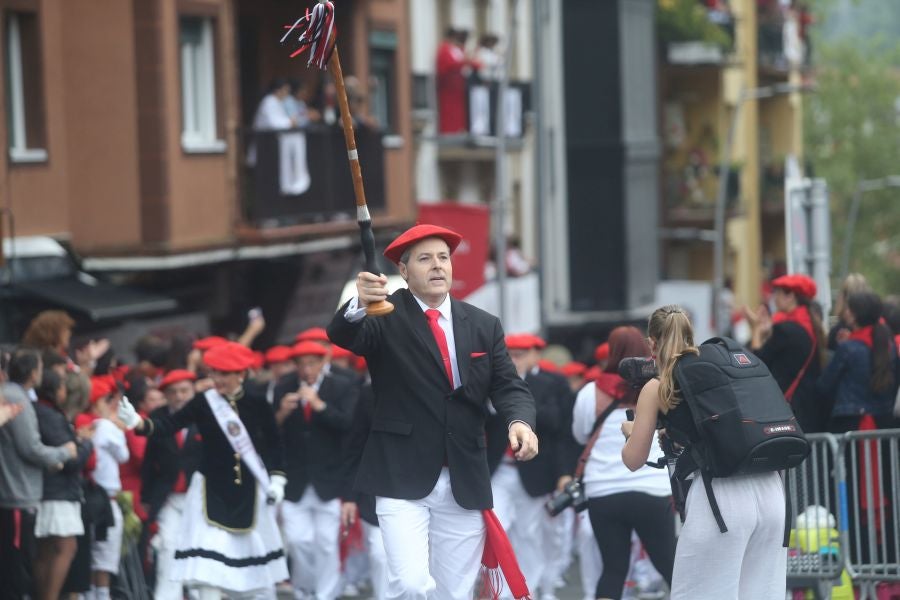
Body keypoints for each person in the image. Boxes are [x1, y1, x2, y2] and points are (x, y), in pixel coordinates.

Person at [327, 223, 538, 600]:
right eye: (425, 259)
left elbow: (508, 385)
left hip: (465, 475)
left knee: (453, 593)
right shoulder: (384, 316)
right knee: (411, 585)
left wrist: (520, 422)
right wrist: (360, 302)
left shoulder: (483, 325)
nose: (438, 266)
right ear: (404, 271)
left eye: (443, 258)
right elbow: (343, 335)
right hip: (400, 476)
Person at [622, 306, 787, 600]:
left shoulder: (658, 385)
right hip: (771, 493)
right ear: (690, 336)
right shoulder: (720, 369)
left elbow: (633, 459)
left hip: (720, 500)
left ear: (652, 343)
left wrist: (630, 432)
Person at [119, 341, 288, 599]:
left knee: (256, 572)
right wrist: (139, 423)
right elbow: (168, 425)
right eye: (214, 372)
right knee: (207, 570)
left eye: (223, 373)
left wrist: (277, 479)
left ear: (240, 374)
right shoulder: (203, 402)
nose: (216, 379)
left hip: (249, 494)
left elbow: (274, 444)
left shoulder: (256, 402)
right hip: (211, 492)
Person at [572, 327, 674, 600]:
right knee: (672, 566)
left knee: (613, 569)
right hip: (652, 487)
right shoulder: (661, 387)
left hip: (603, 491)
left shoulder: (590, 392)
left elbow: (581, 434)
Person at [486, 334, 572, 600]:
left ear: (536, 355)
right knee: (496, 528)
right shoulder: (492, 380)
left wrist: (563, 473)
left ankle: (529, 589)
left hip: (534, 470)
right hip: (498, 469)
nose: (515, 359)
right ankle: (501, 590)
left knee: (529, 533)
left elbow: (560, 426)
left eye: (521, 354)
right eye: (510, 354)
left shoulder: (552, 382)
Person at [274, 340, 358, 600]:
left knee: (325, 543)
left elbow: (348, 426)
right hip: (295, 480)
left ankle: (326, 594)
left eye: (312, 363)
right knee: (299, 542)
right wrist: (281, 414)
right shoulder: (284, 386)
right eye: (301, 364)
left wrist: (319, 405)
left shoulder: (341, 386)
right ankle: (305, 590)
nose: (307, 370)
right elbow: (269, 432)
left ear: (324, 362)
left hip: (329, 480)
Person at [0, 349, 77, 600]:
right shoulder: (14, 398)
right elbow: (30, 448)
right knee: (16, 573)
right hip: (16, 496)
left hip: (20, 493)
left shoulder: (15, 395)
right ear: (34, 372)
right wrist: (64, 453)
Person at [142, 369, 202, 600]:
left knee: (199, 549)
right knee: (168, 546)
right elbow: (149, 461)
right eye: (173, 392)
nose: (179, 396)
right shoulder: (158, 418)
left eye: (184, 390)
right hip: (168, 495)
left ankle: (201, 595)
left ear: (193, 390)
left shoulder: (206, 414)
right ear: (165, 394)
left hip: (199, 496)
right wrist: (146, 497)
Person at [33, 369, 93, 600]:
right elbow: (72, 460)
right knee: (66, 548)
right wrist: (85, 443)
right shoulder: (50, 415)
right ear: (55, 390)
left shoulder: (40, 412)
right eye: (61, 388)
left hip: (48, 490)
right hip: (58, 493)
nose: (64, 392)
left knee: (47, 551)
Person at [744, 274, 827, 432]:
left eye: (778, 293)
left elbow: (757, 363)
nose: (774, 298)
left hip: (789, 414)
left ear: (791, 296)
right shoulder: (810, 327)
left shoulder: (785, 329)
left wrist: (756, 330)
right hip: (808, 412)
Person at [817, 291, 899, 433]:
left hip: (851, 421)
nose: (845, 312)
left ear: (854, 315)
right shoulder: (888, 346)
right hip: (883, 421)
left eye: (849, 308)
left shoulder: (847, 348)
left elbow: (825, 384)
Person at [86, 376, 130, 600]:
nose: (112, 403)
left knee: (91, 555)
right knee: (104, 556)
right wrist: (116, 427)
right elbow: (124, 455)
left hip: (88, 497)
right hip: (106, 500)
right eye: (107, 399)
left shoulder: (84, 424)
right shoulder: (104, 425)